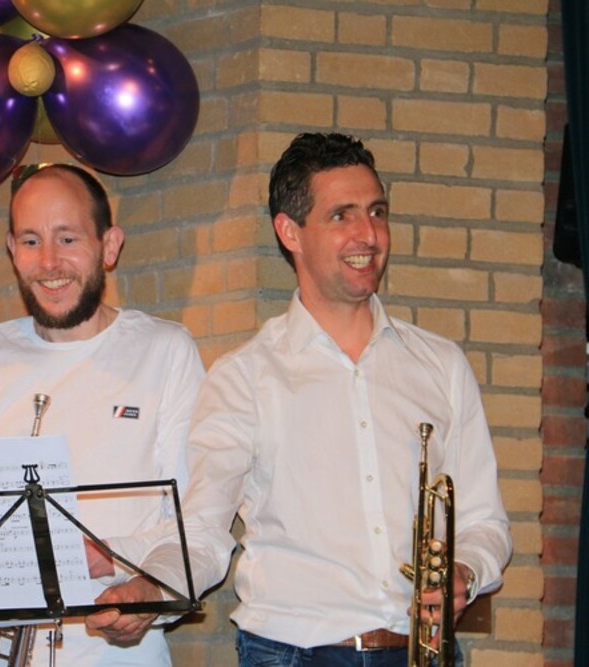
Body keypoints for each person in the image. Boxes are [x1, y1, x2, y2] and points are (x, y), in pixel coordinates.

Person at [112, 132, 513, 665]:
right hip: (293, 653)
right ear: (289, 232)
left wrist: (467, 570)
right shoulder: (244, 377)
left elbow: (485, 523)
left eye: (376, 212)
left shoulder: (442, 365)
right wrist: (152, 588)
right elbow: (204, 528)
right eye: (342, 215)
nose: (368, 234)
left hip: (424, 651)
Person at [0, 163, 205, 666]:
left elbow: (195, 520)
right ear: (11, 250)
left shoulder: (164, 351)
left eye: (67, 238)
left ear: (109, 246)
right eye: (31, 241)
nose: (49, 262)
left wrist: (125, 567)